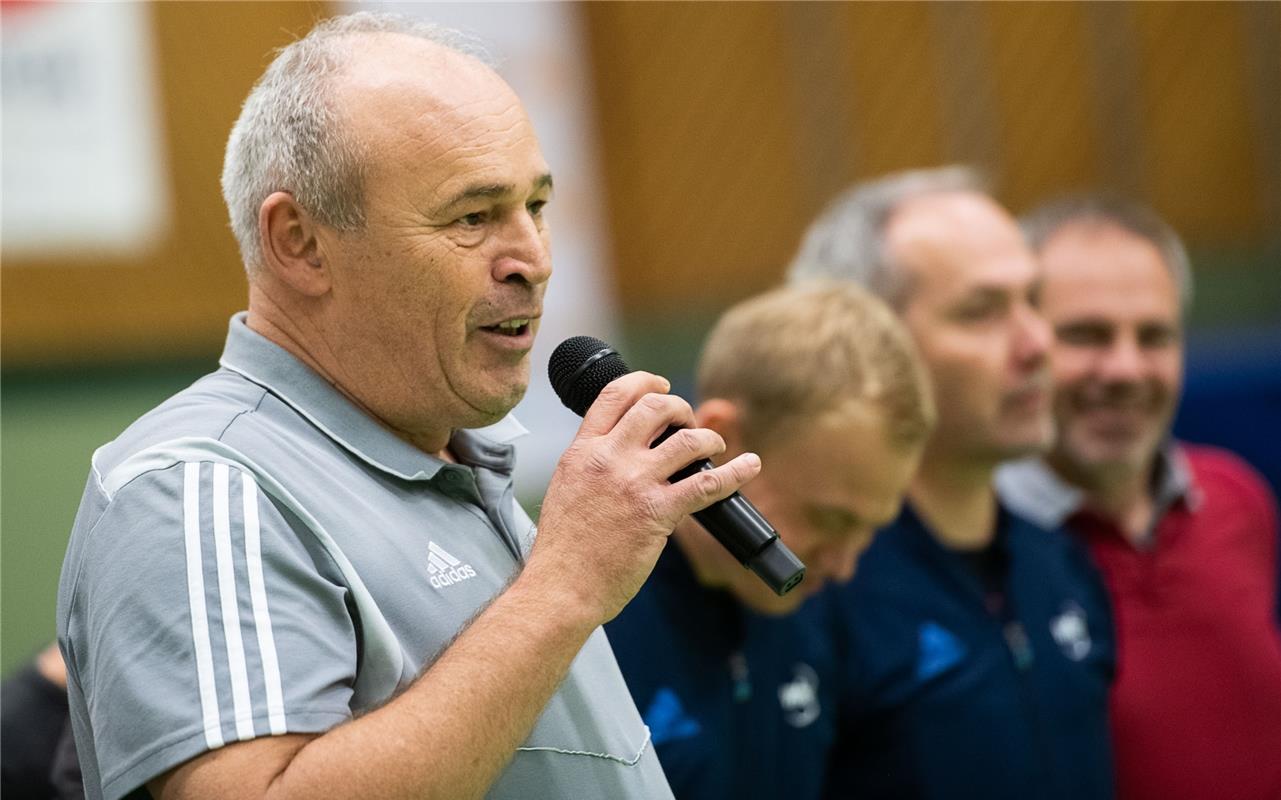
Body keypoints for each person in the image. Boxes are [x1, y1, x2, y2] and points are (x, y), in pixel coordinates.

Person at [54, 13, 762, 800]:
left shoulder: (457, 460)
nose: (532, 258)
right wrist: (562, 588)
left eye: (536, 204)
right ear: (299, 242)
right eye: (472, 216)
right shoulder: (199, 488)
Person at [789, 167, 1116, 800]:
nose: (1038, 343)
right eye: (982, 312)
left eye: (1034, 302)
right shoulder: (810, 591)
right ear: (866, 345)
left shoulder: (1062, 566)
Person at [997, 197, 1281, 800]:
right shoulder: (972, 546)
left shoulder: (1234, 500)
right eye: (1086, 335)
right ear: (1018, 343)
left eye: (1154, 336)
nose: (1125, 368)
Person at [606, 282, 935, 800]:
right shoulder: (591, 625)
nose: (845, 566)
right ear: (719, 440)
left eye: (871, 527)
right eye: (827, 517)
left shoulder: (824, 613)